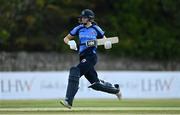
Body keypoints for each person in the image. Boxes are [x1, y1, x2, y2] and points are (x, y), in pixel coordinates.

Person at [60, 9, 121, 109]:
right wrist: (70, 43)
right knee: (96, 84)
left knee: (75, 71)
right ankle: (116, 90)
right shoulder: (79, 28)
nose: (82, 18)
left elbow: (105, 40)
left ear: (90, 19)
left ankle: (68, 101)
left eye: (84, 17)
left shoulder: (96, 28)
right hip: (82, 57)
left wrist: (107, 44)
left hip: (91, 56)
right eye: (82, 17)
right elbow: (66, 38)